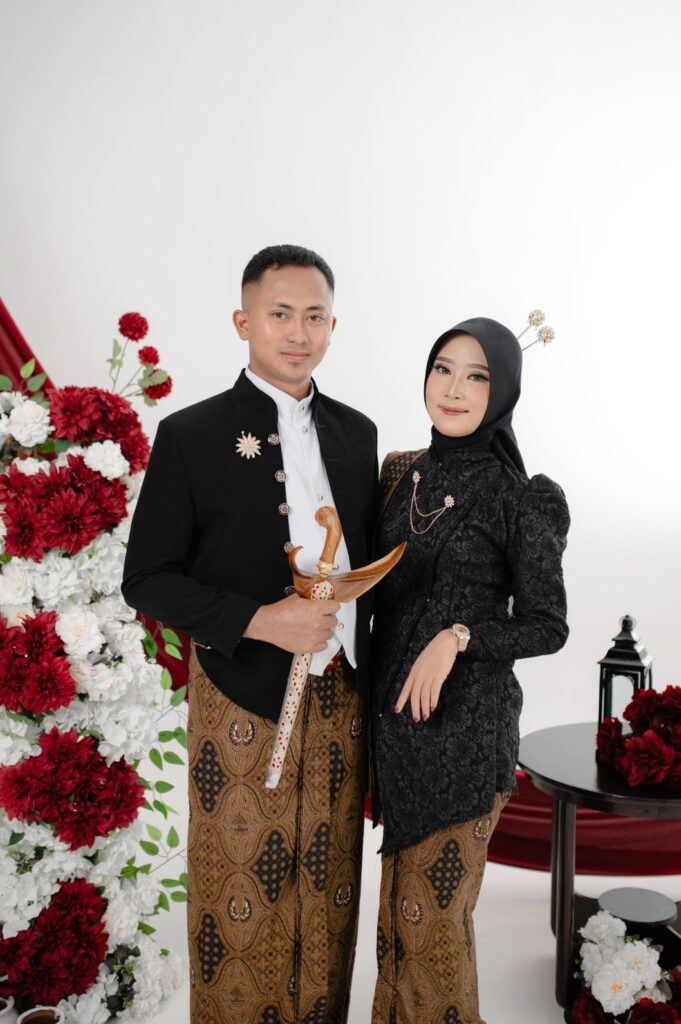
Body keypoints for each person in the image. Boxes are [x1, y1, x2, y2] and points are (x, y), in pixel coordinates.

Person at [122, 244, 378, 1024]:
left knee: (329, 886)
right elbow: (147, 577)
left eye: (313, 316)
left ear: (333, 326)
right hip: (239, 698)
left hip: (339, 698)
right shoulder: (192, 434)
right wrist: (264, 619)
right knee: (241, 888)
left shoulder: (357, 433)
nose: (297, 332)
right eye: (279, 314)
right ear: (243, 322)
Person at [369, 317, 570, 1024]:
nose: (453, 389)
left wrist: (457, 637)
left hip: (466, 736)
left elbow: (547, 625)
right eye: (442, 368)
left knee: (431, 927)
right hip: (396, 733)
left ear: (503, 390)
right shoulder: (400, 474)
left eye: (477, 376)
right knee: (397, 927)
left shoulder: (521, 497)